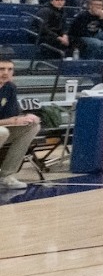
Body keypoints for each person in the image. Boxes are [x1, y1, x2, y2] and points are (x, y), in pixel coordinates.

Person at [0, 58, 41, 190]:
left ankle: (7, 175)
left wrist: (27, 117)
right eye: (1, 69)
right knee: (2, 132)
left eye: (10, 69)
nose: (6, 73)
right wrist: (11, 121)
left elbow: (13, 116)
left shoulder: (10, 87)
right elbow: (10, 121)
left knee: (32, 126)